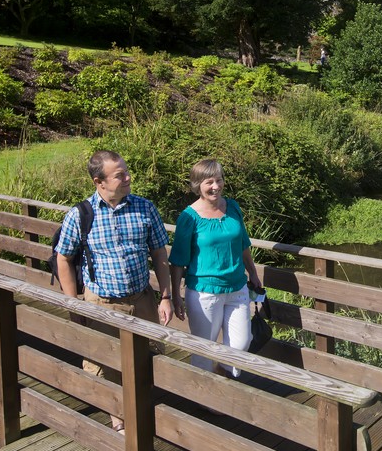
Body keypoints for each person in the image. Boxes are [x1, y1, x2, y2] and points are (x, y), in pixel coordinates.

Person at [54, 150, 173, 432]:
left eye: (126, 171)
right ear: (100, 181)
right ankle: (119, 421)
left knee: (149, 356)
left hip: (142, 298)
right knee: (105, 363)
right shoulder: (80, 214)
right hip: (102, 303)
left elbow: (159, 254)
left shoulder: (145, 207)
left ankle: (142, 409)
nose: (128, 177)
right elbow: (64, 258)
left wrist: (166, 296)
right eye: (120, 175)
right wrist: (74, 304)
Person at [169, 159, 262, 376]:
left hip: (237, 288)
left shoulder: (232, 208)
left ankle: (221, 373)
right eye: (209, 182)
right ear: (197, 185)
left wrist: (253, 273)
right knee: (204, 349)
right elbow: (178, 261)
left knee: (241, 343)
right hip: (204, 292)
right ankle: (204, 398)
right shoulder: (189, 217)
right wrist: (175, 296)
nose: (215, 187)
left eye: (219, 180)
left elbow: (243, 244)